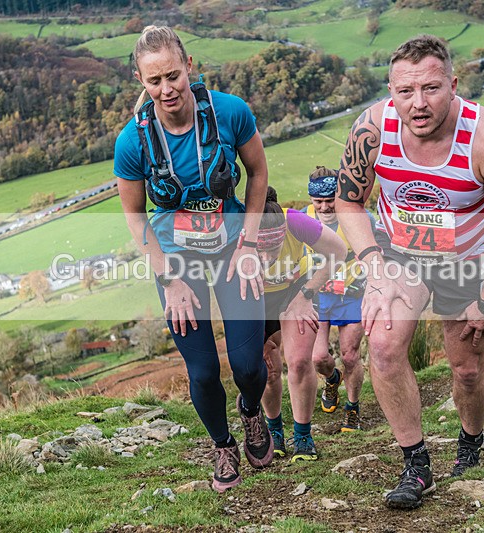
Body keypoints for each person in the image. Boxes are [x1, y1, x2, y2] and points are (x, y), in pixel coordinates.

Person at [335, 35, 484, 510]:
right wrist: (377, 269)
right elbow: (348, 201)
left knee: (466, 370)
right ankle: (415, 465)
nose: (417, 104)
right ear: (390, 89)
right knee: (381, 346)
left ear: (453, 84)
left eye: (430, 89)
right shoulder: (372, 130)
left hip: (471, 263)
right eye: (405, 91)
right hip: (401, 258)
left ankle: (471, 440)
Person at [113, 26, 273, 492]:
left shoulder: (229, 112)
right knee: (202, 370)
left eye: (172, 76)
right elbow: (136, 220)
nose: (166, 90)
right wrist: (169, 280)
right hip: (177, 261)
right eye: (153, 81)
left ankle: (250, 411)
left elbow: (258, 173)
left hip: (231, 250)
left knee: (248, 367)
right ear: (141, 82)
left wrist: (248, 243)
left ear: (188, 66)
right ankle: (222, 445)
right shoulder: (132, 142)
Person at [257, 186, 347, 462]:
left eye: (273, 250)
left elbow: (339, 252)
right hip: (255, 299)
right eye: (260, 251)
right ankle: (274, 432)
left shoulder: (294, 221)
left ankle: (303, 435)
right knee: (268, 370)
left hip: (295, 291)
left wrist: (306, 294)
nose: (267, 259)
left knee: (298, 362)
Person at [303, 166, 374, 432]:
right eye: (317, 201)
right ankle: (332, 380)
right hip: (318, 295)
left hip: (352, 294)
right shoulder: (303, 218)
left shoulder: (359, 217)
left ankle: (352, 408)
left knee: (350, 356)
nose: (323, 207)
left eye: (329, 199)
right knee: (319, 357)